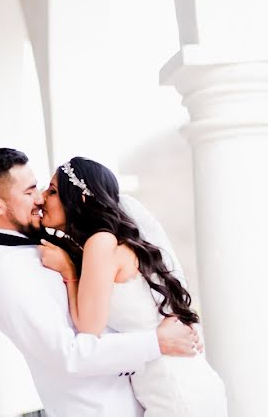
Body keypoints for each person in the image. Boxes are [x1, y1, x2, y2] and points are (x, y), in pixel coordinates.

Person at [0, 148, 201, 417]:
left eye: (42, 188)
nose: (40, 198)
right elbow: (69, 353)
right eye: (29, 191)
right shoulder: (6, 276)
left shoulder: (61, 239)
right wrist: (156, 342)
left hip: (154, 393)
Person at [38, 156, 227, 415]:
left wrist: (68, 271)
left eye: (52, 191)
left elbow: (88, 328)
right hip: (181, 383)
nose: (41, 197)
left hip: (175, 392)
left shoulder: (101, 242)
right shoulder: (107, 242)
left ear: (80, 198)